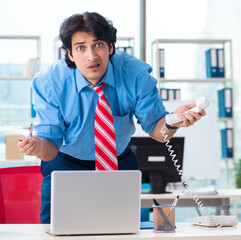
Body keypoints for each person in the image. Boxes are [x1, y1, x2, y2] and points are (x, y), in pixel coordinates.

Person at [18, 12, 205, 223]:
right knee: (60, 232)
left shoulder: (135, 73)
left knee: (121, 229)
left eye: (98, 45)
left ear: (111, 47)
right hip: (65, 164)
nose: (91, 56)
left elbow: (157, 131)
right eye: (80, 48)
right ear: (69, 54)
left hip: (118, 162)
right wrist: (36, 147)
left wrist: (174, 121)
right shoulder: (49, 82)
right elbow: (50, 147)